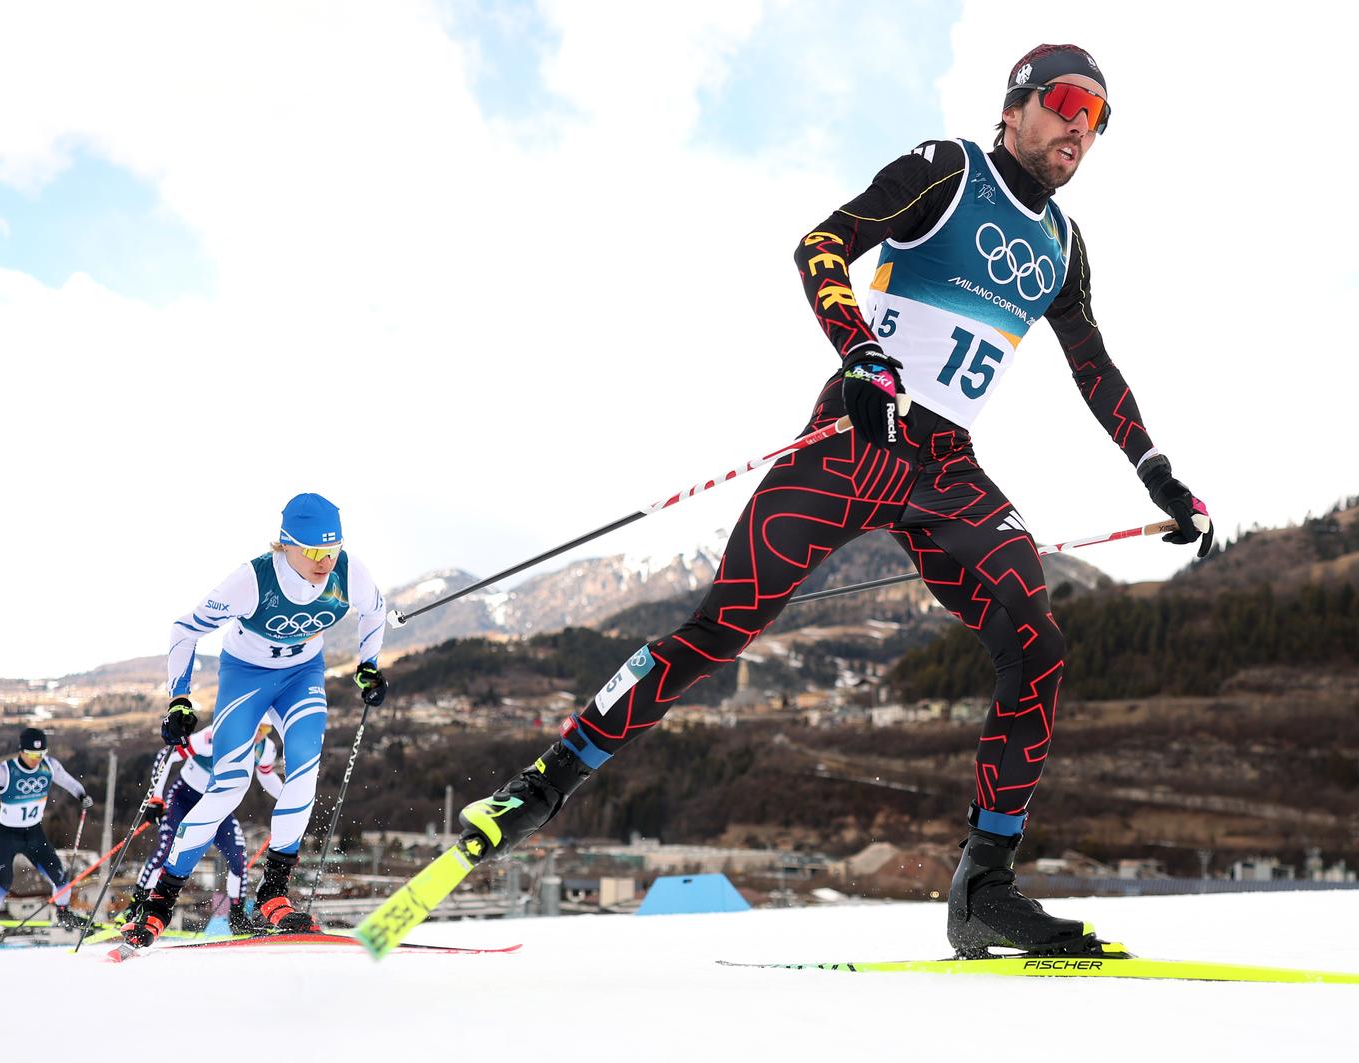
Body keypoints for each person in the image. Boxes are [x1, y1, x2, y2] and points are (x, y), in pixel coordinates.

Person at [452, 44, 1213, 958]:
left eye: (1099, 117)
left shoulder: (1063, 246)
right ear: (1013, 108)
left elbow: (1092, 365)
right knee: (720, 629)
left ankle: (984, 889)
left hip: (946, 465)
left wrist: (1156, 468)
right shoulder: (950, 170)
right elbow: (822, 244)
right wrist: (859, 352)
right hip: (860, 437)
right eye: (1065, 103)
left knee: (1037, 645)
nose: (1080, 128)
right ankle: (542, 783)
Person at [118, 492, 389, 950]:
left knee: (305, 765)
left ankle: (274, 893)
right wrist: (179, 700)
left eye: (334, 550)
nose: (326, 562)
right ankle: (159, 902)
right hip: (245, 677)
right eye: (315, 552)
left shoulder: (349, 573)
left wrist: (368, 664)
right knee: (228, 785)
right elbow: (185, 629)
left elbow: (376, 611)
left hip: (302, 675)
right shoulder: (251, 581)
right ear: (286, 545)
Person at [120, 717, 284, 937]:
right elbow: (165, 756)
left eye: (264, 730)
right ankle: (136, 908)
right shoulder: (214, 736)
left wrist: (287, 799)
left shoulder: (264, 749)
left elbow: (266, 775)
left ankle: (237, 918)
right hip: (183, 798)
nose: (258, 735)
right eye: (255, 728)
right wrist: (156, 798)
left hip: (216, 804)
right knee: (166, 850)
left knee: (237, 857)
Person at [0, 727, 96, 949]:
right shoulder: (3, 772)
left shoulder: (49, 766)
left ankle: (64, 914)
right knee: (3, 885)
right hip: (6, 835)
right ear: (21, 751)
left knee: (60, 877)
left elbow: (72, 784)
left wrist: (83, 796)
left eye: (40, 754)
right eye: (32, 755)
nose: (36, 760)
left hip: (33, 833)